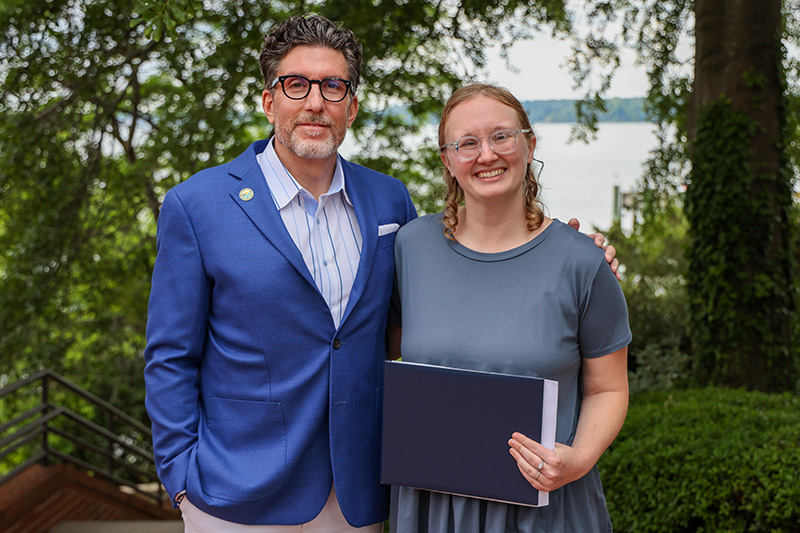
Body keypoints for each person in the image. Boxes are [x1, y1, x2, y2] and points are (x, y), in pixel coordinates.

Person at [144, 14, 617, 533]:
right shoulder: (197, 205)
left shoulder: (389, 203)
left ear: (351, 106)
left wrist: (569, 253)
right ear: (269, 100)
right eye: (296, 84)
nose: (315, 102)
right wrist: (182, 481)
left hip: (359, 493)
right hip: (237, 495)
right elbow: (170, 356)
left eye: (333, 86)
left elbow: (466, 275)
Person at [388, 83, 631, 533]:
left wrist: (576, 460)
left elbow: (608, 390)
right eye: (467, 143)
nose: (487, 154)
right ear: (447, 160)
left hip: (544, 508)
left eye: (501, 136)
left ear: (529, 143)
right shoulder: (410, 247)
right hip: (432, 508)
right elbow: (392, 353)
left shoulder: (582, 262)